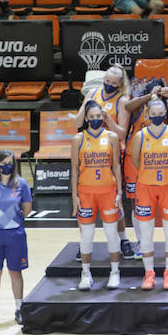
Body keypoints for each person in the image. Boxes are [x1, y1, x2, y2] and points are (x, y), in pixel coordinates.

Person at [128, 98, 168, 290]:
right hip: (145, 188)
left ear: (165, 115)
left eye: (161, 114)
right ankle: (149, 274)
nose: (158, 117)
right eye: (154, 114)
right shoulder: (140, 136)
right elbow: (136, 162)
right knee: (146, 234)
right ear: (148, 115)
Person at [72, 101, 123, 291]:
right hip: (85, 192)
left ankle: (115, 272)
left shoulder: (112, 137)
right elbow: (75, 170)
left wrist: (119, 192)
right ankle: (86, 274)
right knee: (86, 235)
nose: (95, 120)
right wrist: (74, 197)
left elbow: (116, 166)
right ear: (86, 119)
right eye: (91, 117)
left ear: (103, 117)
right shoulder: (78, 139)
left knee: (111, 233)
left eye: (98, 117)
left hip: (108, 191)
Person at [0, 149, 30, 324]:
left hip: (15, 235)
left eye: (10, 163)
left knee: (15, 272)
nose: (7, 166)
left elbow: (26, 210)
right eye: (3, 163)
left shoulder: (22, 183)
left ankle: (19, 308)